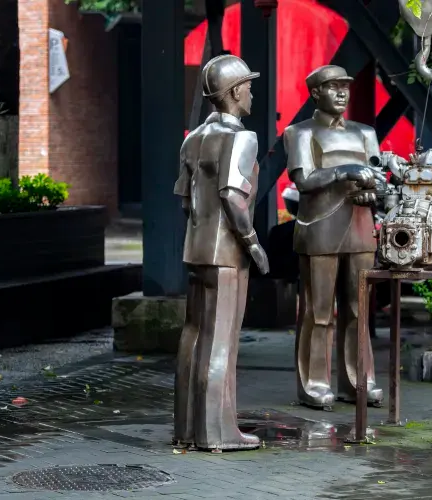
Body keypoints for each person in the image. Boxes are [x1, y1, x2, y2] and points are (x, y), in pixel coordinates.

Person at [172, 55, 268, 452]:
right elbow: (232, 194)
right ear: (234, 92)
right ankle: (217, 432)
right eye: (248, 87)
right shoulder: (242, 138)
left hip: (196, 248)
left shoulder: (192, 138)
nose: (252, 94)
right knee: (220, 342)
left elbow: (184, 200)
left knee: (193, 336)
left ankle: (186, 429)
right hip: (227, 251)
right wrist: (253, 243)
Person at [283, 65, 384, 410]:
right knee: (318, 311)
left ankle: (359, 380)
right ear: (315, 93)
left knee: (358, 310)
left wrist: (374, 191)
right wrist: (345, 171)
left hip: (360, 228)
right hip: (320, 231)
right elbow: (304, 180)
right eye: (333, 86)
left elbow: (379, 178)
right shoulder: (300, 133)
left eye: (345, 86)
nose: (342, 92)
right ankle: (313, 383)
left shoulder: (365, 133)